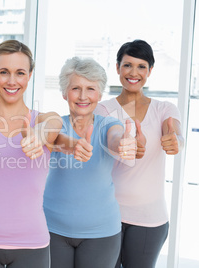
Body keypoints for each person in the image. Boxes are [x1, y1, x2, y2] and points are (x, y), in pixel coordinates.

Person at [0, 39, 68, 268]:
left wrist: (40, 134)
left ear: (30, 74)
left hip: (32, 245)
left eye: (20, 73)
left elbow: (54, 123)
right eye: (4, 72)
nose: (12, 81)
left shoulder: (43, 120)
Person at [94, 39, 184, 268]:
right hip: (108, 214)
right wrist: (124, 145)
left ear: (150, 71)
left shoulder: (164, 108)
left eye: (141, 66)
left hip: (149, 219)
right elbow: (107, 140)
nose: (134, 72)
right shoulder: (103, 109)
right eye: (127, 65)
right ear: (117, 68)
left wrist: (176, 140)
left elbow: (174, 131)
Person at [43, 57, 139, 268]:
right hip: (52, 229)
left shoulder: (109, 125)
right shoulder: (55, 124)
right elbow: (49, 137)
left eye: (90, 89)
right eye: (76, 88)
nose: (83, 96)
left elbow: (115, 138)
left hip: (101, 234)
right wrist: (70, 144)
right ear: (64, 93)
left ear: (100, 94)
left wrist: (123, 143)